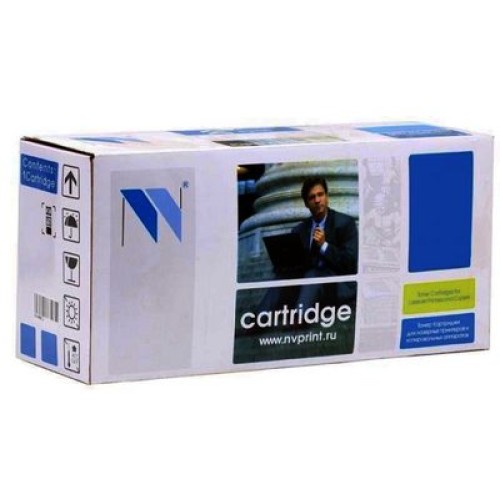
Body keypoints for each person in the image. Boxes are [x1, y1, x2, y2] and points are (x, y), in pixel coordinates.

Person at [291, 176, 358, 309]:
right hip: (307, 284)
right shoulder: (299, 230)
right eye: (312, 197)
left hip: (337, 284)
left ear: (327, 197)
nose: (317, 200)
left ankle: (300, 316)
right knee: (280, 277)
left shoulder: (345, 223)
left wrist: (324, 245)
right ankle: (260, 317)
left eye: (320, 195)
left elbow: (350, 263)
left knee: (313, 274)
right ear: (306, 203)